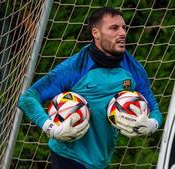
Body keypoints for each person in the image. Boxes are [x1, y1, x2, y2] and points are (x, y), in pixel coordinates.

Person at [18, 7, 163, 169]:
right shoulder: (75, 67)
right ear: (96, 33)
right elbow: (28, 98)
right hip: (68, 157)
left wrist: (151, 125)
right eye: (114, 28)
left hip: (101, 160)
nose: (122, 33)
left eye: (124, 28)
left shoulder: (134, 69)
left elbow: (155, 109)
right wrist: (52, 129)